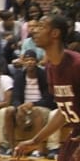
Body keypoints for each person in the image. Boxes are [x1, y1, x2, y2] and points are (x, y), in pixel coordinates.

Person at [15, 15, 80, 160]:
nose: (35, 31)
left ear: (55, 33)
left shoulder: (76, 64)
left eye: (41, 27)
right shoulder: (50, 67)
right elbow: (63, 111)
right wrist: (35, 140)